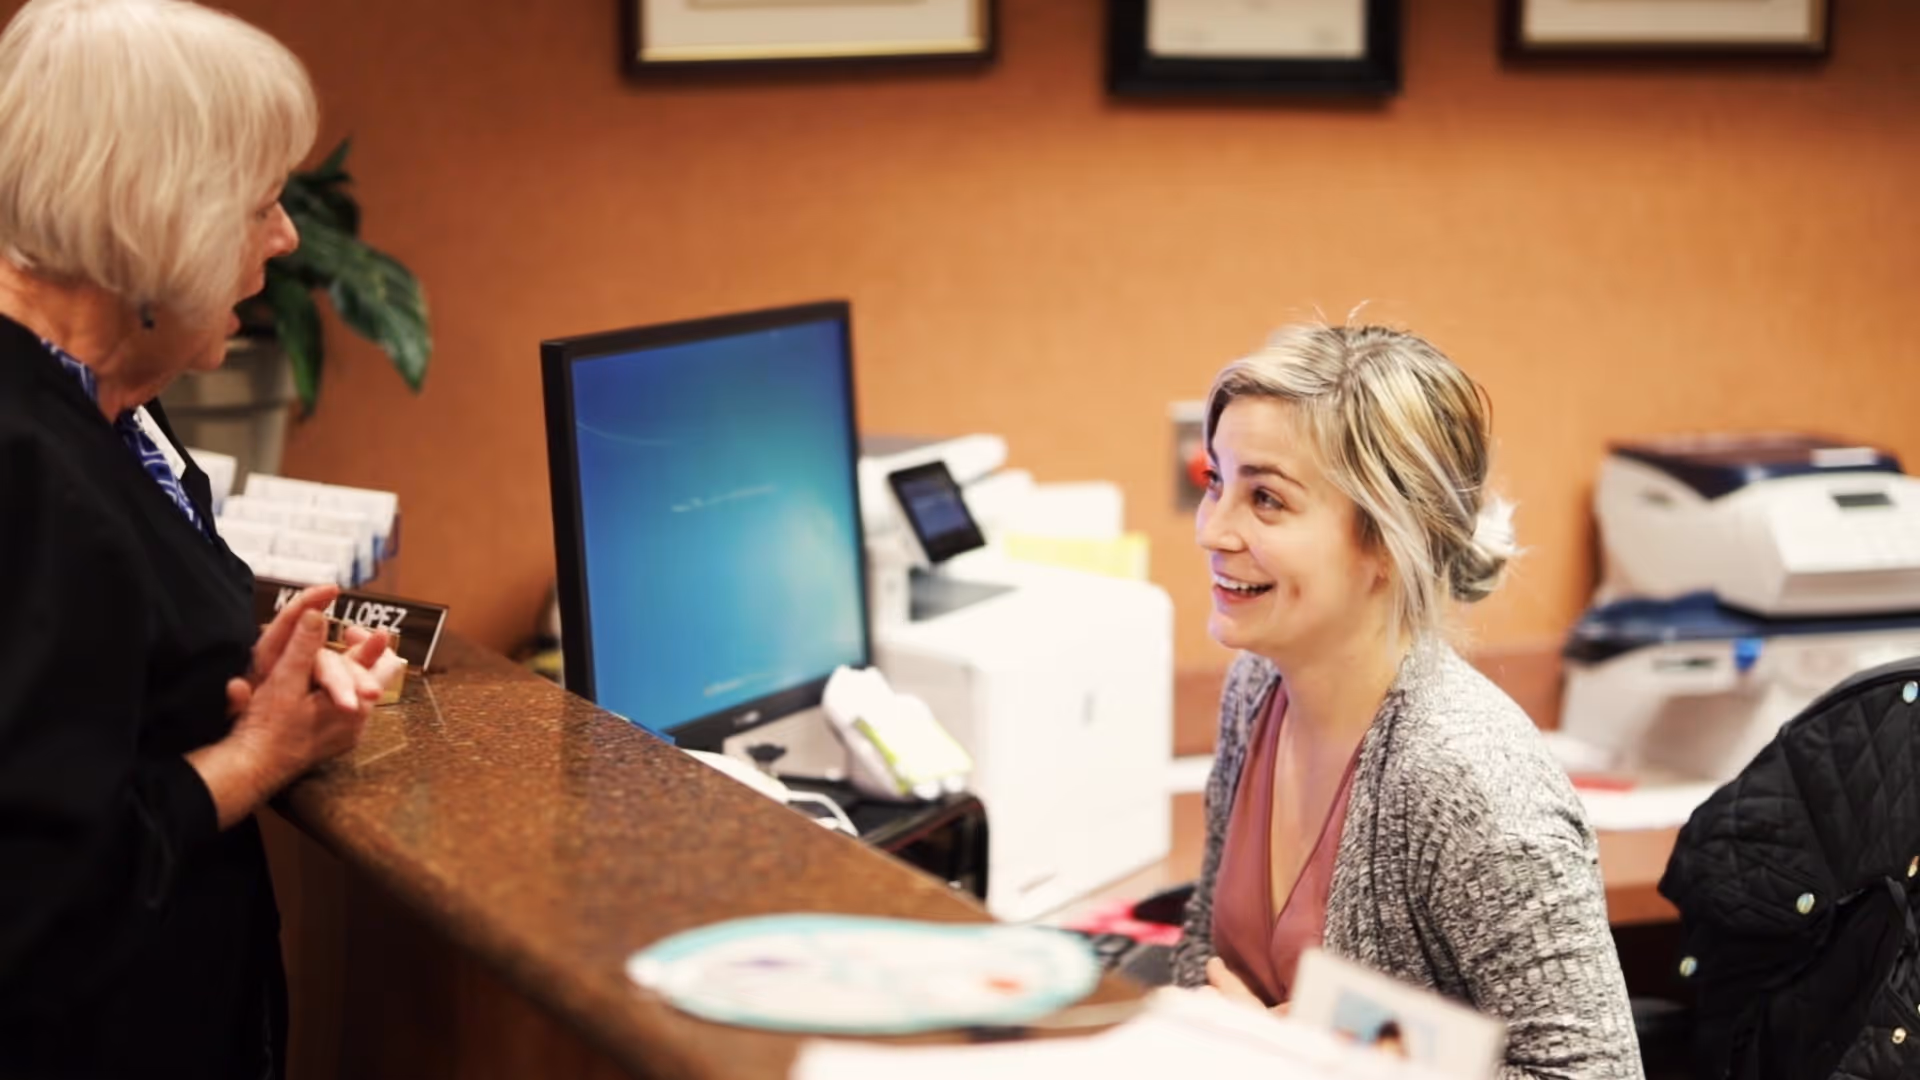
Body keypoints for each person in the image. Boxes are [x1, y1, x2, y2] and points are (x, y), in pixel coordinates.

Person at [0, 1, 399, 1075]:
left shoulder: (108, 402)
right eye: (262, 202)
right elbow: (39, 886)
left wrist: (240, 677)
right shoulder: (27, 467)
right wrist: (261, 754)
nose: (284, 237)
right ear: (155, 213)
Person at [1170, 324, 1642, 1079]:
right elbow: (1208, 956)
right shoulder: (1259, 686)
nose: (1213, 530)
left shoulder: (1466, 782)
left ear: (1388, 541)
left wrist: (1314, 1060)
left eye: (1265, 499)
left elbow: (1594, 1074)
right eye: (1215, 483)